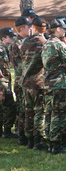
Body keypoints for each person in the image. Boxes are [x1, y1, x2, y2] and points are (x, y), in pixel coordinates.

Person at [42, 18, 66, 154]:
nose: (65, 30)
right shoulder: (60, 45)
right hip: (59, 83)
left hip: (48, 83)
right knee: (58, 113)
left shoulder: (46, 44)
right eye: (63, 28)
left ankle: (49, 141)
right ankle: (56, 144)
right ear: (57, 29)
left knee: (49, 112)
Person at [19, 17, 48, 150]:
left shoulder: (25, 42)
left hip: (26, 82)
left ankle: (29, 139)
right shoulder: (44, 43)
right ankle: (38, 141)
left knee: (28, 111)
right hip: (38, 82)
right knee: (40, 112)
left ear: (33, 27)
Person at [11, 17, 32, 145]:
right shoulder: (18, 44)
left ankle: (23, 133)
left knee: (25, 108)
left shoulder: (24, 42)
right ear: (22, 28)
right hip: (21, 81)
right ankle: (21, 135)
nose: (30, 29)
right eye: (28, 27)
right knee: (22, 108)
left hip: (25, 80)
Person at [0, 27, 17, 139]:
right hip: (2, 81)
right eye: (10, 37)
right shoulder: (0, 48)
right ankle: (6, 131)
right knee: (8, 104)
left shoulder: (5, 48)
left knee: (4, 105)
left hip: (6, 79)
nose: (12, 38)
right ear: (3, 38)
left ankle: (4, 131)